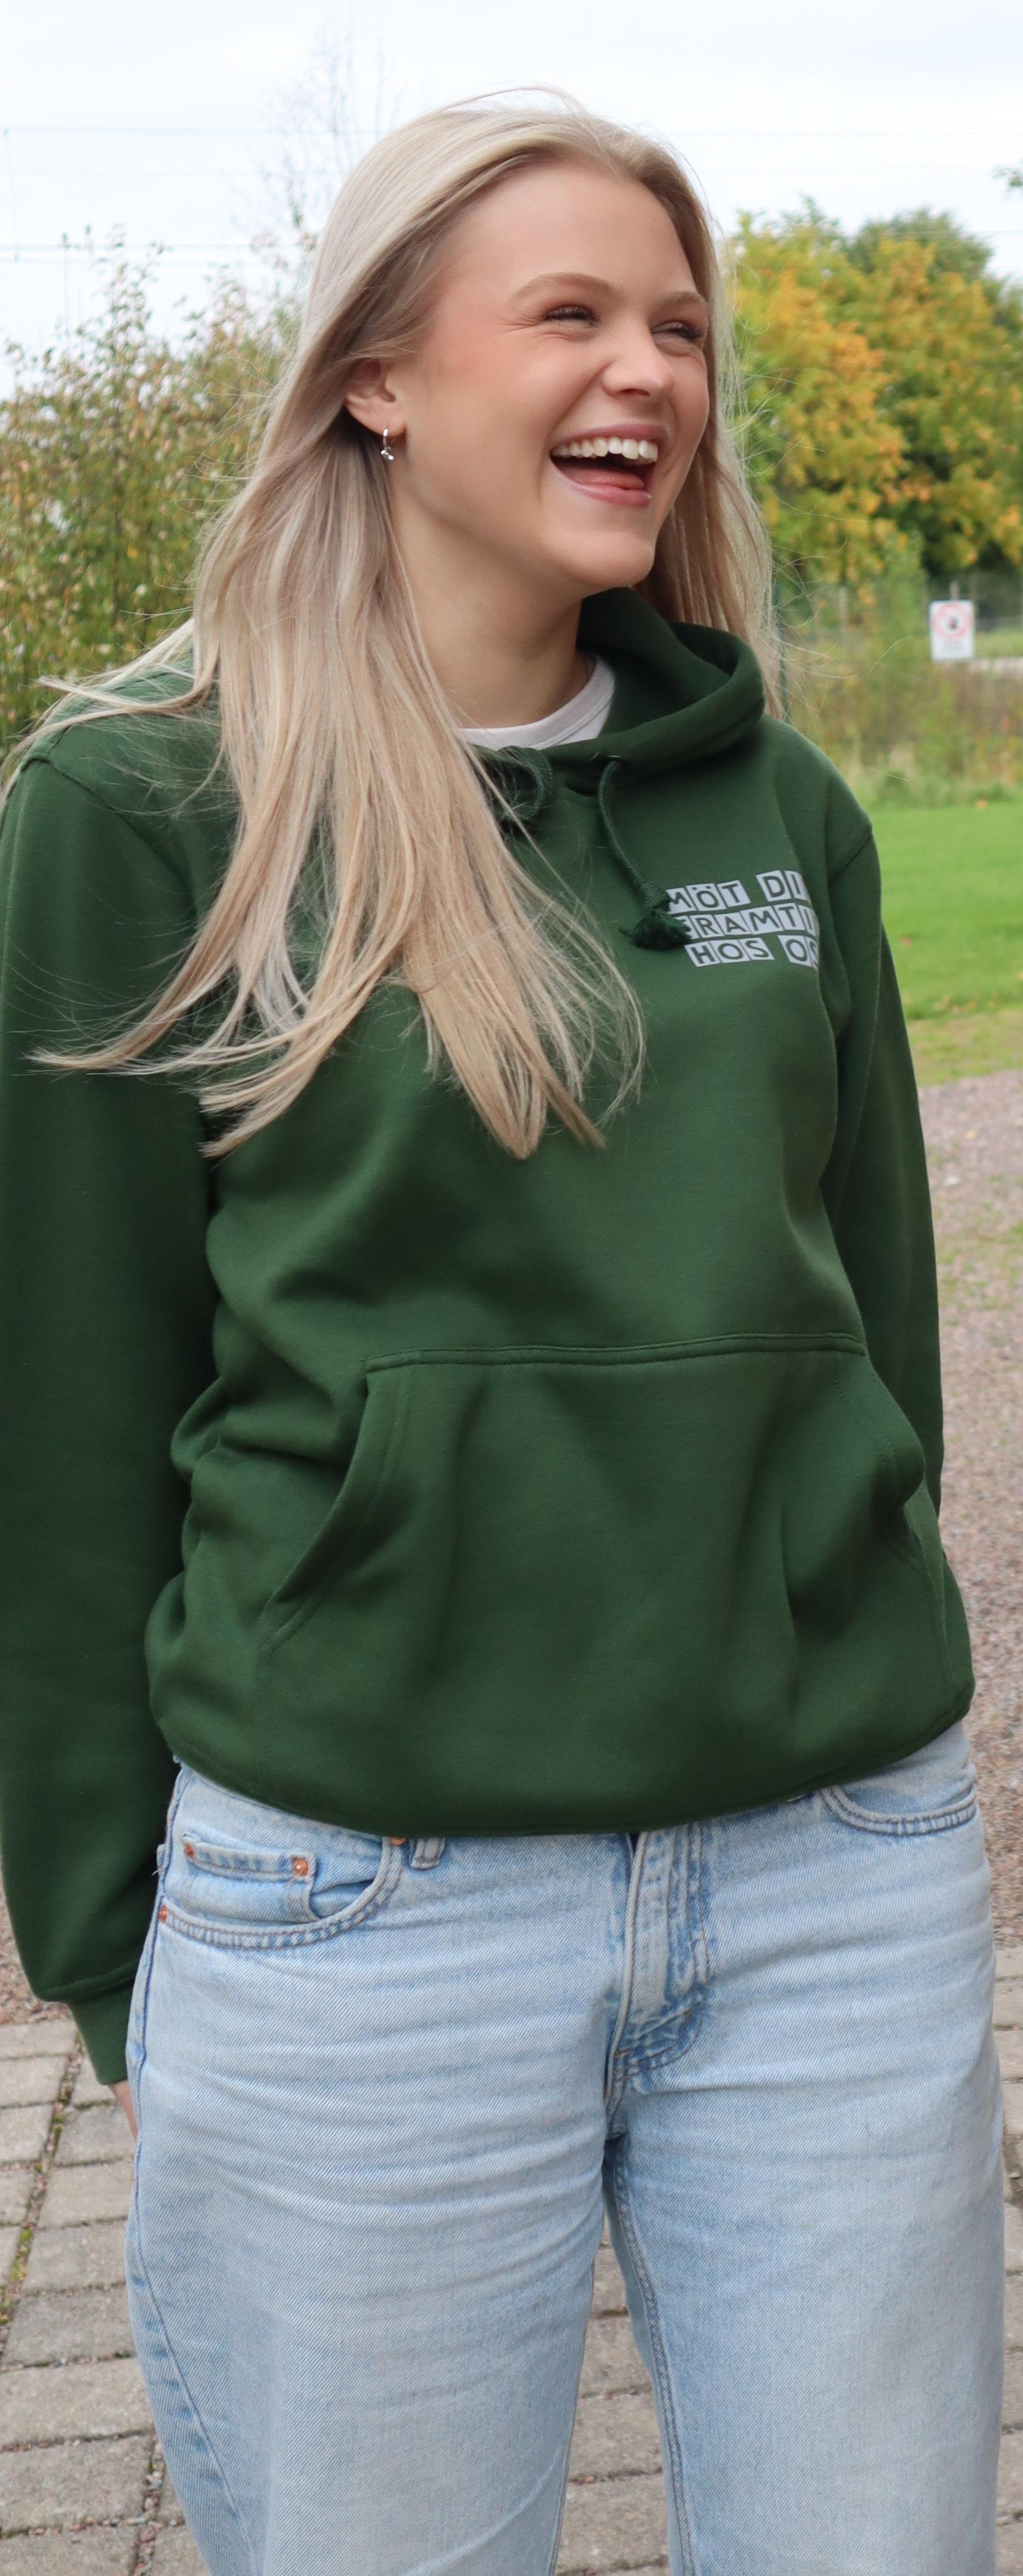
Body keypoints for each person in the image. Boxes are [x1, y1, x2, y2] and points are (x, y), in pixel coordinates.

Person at [0, 93, 1002, 2576]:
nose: (647, 371)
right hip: (365, 1906)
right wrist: (113, 1938)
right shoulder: (147, 803)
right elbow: (70, 1406)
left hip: (829, 1881)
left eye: (677, 325)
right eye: (569, 313)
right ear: (374, 374)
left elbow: (870, 1320)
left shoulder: (776, 805)